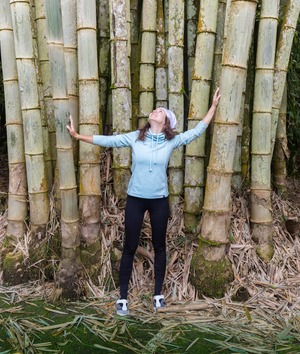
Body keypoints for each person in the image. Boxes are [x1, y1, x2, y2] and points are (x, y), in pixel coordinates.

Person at [66, 88, 221, 315]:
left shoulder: (171, 141)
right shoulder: (135, 137)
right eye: (155, 109)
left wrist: (213, 107)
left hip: (159, 200)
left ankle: (158, 294)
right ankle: (122, 298)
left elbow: (197, 132)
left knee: (159, 247)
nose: (156, 110)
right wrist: (79, 136)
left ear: (167, 122)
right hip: (136, 199)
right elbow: (110, 140)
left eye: (161, 111)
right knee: (129, 246)